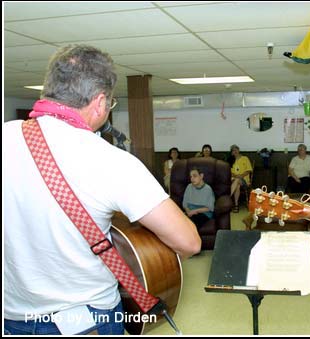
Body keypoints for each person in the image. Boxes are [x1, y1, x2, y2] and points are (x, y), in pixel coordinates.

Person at [4, 45, 201, 335]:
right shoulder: (111, 160)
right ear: (99, 103)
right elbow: (189, 242)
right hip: (86, 320)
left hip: (10, 315)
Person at [182, 168, 216, 232]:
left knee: (191, 226)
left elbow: (210, 208)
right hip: (190, 212)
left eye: (195, 176)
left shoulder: (207, 189)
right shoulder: (189, 187)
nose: (192, 179)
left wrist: (195, 211)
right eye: (191, 177)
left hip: (203, 213)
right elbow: (184, 203)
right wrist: (188, 211)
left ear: (201, 176)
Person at [229, 144, 253, 213]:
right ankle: (236, 205)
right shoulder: (231, 160)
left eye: (236, 149)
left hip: (244, 181)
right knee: (237, 185)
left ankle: (228, 197)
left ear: (239, 150)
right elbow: (229, 172)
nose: (235, 151)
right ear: (232, 152)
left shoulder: (245, 158)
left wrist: (241, 175)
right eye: (233, 150)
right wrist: (236, 176)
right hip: (234, 180)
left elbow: (249, 170)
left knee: (237, 181)